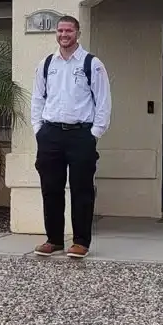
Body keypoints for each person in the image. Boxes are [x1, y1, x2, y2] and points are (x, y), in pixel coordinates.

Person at [30, 14, 111, 257]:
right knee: (50, 188)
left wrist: (94, 134)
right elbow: (37, 98)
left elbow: (103, 102)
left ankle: (81, 242)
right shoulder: (46, 64)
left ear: (78, 33)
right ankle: (54, 239)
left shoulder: (91, 64)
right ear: (56, 33)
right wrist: (39, 129)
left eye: (69, 31)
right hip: (50, 134)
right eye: (60, 31)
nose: (64, 35)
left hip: (80, 135)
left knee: (81, 190)